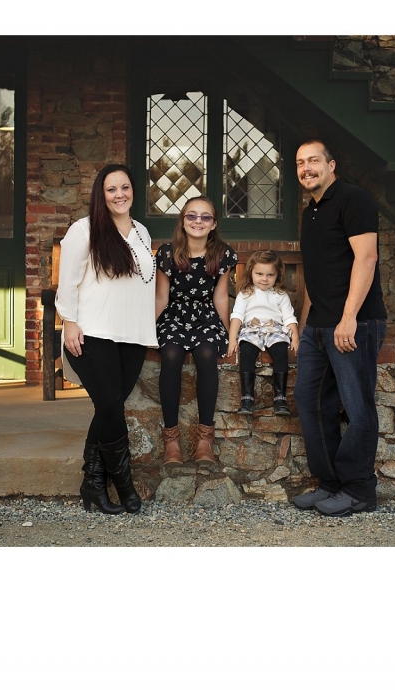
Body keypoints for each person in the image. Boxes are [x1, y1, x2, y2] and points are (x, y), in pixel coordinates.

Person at [292, 140, 387, 517]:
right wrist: (304, 326)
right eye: (300, 163)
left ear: (331, 164)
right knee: (311, 401)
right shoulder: (310, 211)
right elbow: (316, 275)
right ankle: (330, 482)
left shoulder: (353, 199)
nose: (306, 168)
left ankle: (360, 489)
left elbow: (366, 258)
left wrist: (348, 318)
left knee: (357, 406)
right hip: (318, 326)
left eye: (313, 160)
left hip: (355, 323)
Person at [55, 163, 157, 515]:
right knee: (111, 406)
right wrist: (68, 321)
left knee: (108, 407)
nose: (119, 195)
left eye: (125, 188)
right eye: (111, 189)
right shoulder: (84, 230)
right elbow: (67, 281)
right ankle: (125, 487)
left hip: (133, 335)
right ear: (101, 194)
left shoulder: (141, 231)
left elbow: (144, 284)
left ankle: (92, 485)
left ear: (133, 191)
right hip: (93, 332)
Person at [154, 196, 237, 466]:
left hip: (206, 317)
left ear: (213, 224)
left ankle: (204, 441)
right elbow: (161, 298)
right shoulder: (167, 253)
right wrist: (147, 330)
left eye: (205, 217)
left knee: (206, 353)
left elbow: (221, 297)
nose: (198, 221)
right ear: (183, 221)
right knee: (172, 355)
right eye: (191, 216)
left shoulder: (222, 253)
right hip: (175, 315)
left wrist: (227, 334)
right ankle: (172, 442)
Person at [227, 249, 299, 416]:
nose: (264, 279)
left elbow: (289, 318)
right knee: (246, 350)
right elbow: (237, 316)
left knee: (281, 350)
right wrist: (232, 339)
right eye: (259, 274)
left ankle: (280, 398)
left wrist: (295, 337)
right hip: (251, 329)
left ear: (277, 275)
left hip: (274, 329)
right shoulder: (246, 294)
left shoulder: (280, 295)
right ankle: (247, 398)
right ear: (251, 272)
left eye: (270, 275)